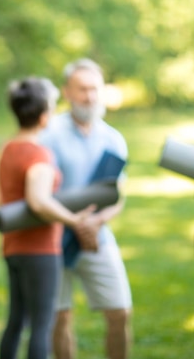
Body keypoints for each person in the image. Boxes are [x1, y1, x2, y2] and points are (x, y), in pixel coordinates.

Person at [0, 77, 97, 359]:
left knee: (16, 321)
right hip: (39, 250)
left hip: (13, 247)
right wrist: (74, 220)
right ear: (43, 116)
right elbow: (38, 201)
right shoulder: (38, 154)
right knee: (42, 325)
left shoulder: (9, 148)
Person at [40, 58, 133, 359]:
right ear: (67, 91)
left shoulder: (114, 139)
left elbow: (117, 196)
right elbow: (39, 192)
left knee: (121, 312)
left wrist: (94, 224)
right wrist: (75, 224)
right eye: (82, 89)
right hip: (55, 238)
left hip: (97, 238)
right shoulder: (48, 133)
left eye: (94, 89)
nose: (89, 96)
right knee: (60, 317)